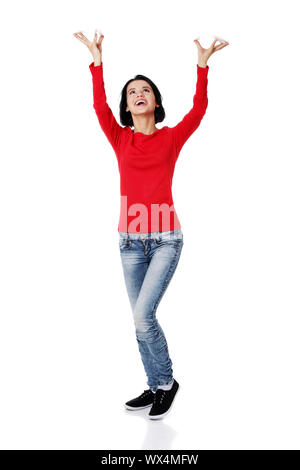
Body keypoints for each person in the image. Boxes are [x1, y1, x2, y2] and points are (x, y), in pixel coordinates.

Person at [73, 30, 229, 419]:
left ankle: (167, 383)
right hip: (128, 242)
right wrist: (97, 63)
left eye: (145, 90)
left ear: (156, 102)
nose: (138, 94)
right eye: (131, 92)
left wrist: (202, 67)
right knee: (140, 320)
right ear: (126, 107)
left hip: (164, 240)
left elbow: (199, 110)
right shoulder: (120, 139)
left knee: (144, 318)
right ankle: (155, 382)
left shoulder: (172, 138)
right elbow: (98, 107)